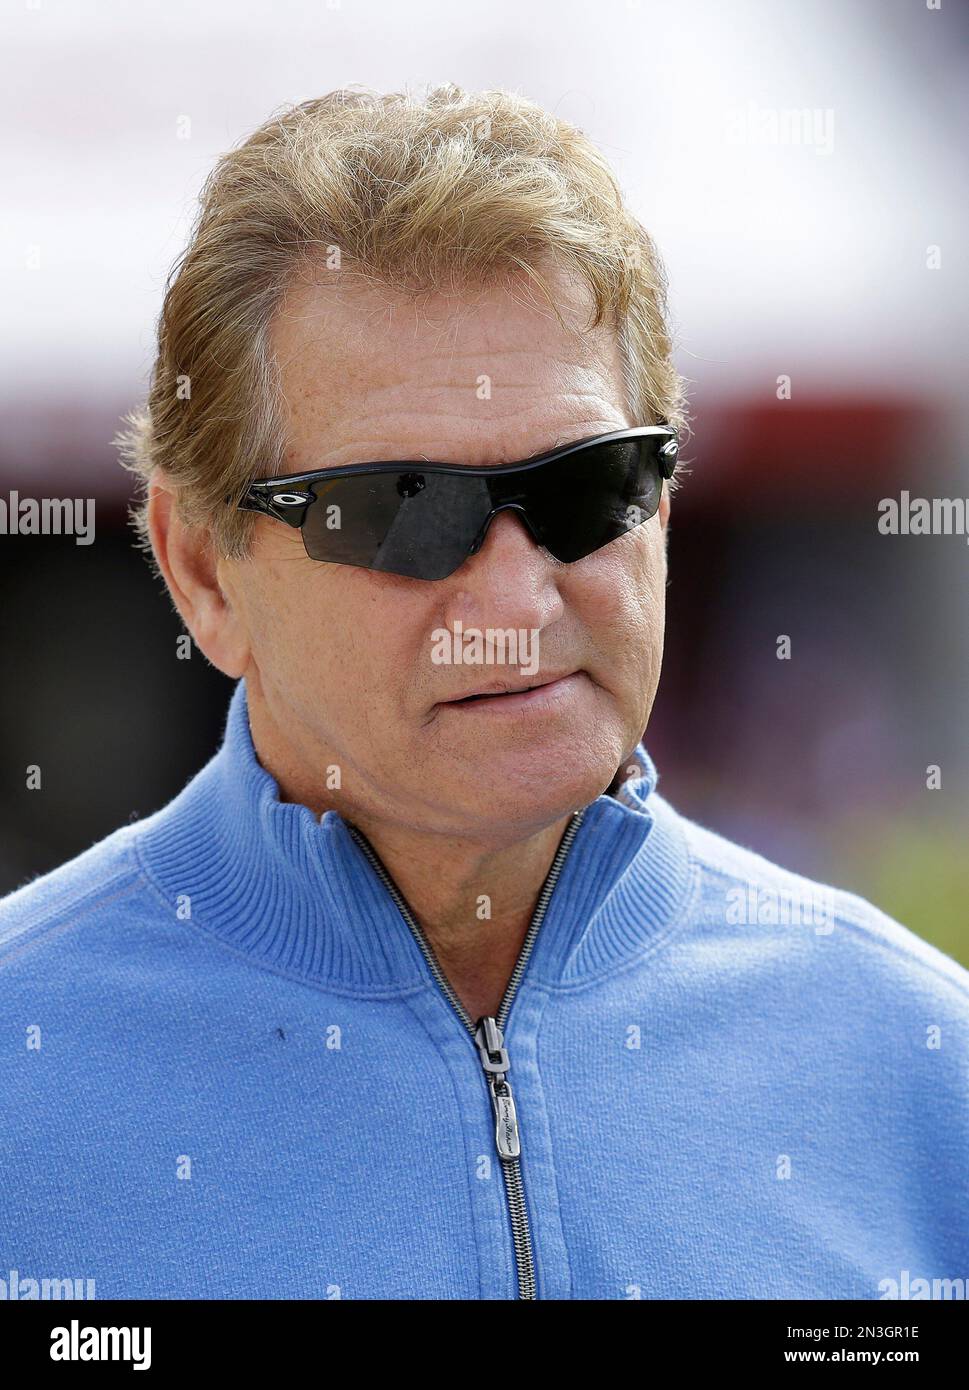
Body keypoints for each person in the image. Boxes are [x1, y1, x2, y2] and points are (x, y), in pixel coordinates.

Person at [1, 85, 966, 1302]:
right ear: (205, 572)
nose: (516, 604)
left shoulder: (926, 1069)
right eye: (408, 508)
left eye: (587, 486)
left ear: (661, 503)